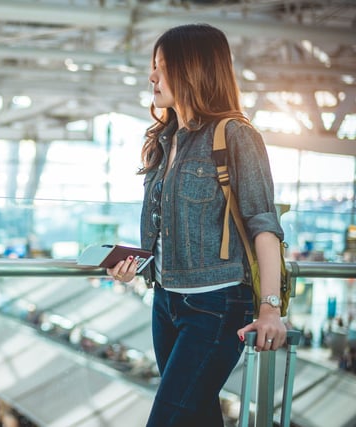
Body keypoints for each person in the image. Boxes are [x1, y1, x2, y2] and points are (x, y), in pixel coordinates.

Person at [106, 24, 287, 427]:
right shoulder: (165, 140)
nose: (152, 76)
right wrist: (135, 265)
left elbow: (263, 224)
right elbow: (169, 229)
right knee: (198, 417)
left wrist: (270, 308)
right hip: (165, 302)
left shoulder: (236, 135)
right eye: (153, 66)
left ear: (194, 70)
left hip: (216, 307)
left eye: (163, 67)